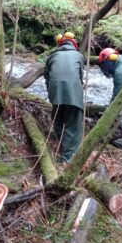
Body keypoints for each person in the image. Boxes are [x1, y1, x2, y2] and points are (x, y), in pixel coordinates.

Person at [44, 32, 85, 163]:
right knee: (73, 125)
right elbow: (80, 77)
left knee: (58, 118)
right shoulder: (79, 56)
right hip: (73, 93)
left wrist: (52, 92)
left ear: (59, 44)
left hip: (55, 93)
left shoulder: (52, 56)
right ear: (74, 44)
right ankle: (67, 159)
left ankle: (59, 145)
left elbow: (47, 76)